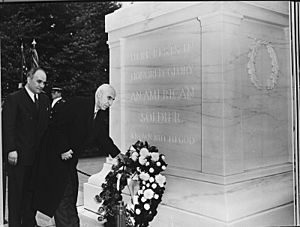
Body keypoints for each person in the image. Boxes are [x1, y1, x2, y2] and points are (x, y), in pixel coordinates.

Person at [33, 83, 124, 227]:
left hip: (69, 162)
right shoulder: (77, 104)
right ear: (99, 95)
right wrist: (63, 149)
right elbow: (56, 126)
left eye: (113, 100)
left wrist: (118, 154)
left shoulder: (98, 116)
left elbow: (103, 138)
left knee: (70, 195)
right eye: (109, 98)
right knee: (61, 197)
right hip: (54, 157)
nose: (111, 103)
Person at [2, 67, 50, 227]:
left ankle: (30, 223)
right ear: (29, 79)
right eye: (39, 81)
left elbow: (46, 128)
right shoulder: (14, 99)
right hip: (19, 157)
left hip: (37, 158)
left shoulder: (44, 100)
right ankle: (15, 224)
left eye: (44, 82)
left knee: (32, 194)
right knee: (16, 195)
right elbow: (8, 126)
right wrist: (11, 149)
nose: (42, 85)